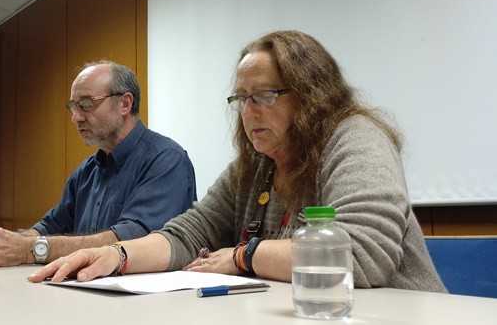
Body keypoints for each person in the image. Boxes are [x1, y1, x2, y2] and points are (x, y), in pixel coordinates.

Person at [27, 31, 446, 293]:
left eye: (263, 95)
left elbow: (357, 257)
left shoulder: (355, 138)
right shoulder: (255, 165)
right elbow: (186, 235)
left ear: (311, 95)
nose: (248, 112)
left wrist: (245, 256)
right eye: (241, 99)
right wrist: (117, 256)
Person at [0, 60, 197, 267]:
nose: (76, 117)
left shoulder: (166, 159)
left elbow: (131, 240)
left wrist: (31, 249)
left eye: (86, 104)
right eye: (73, 106)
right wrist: (8, 242)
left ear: (125, 103)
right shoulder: (87, 170)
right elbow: (51, 225)